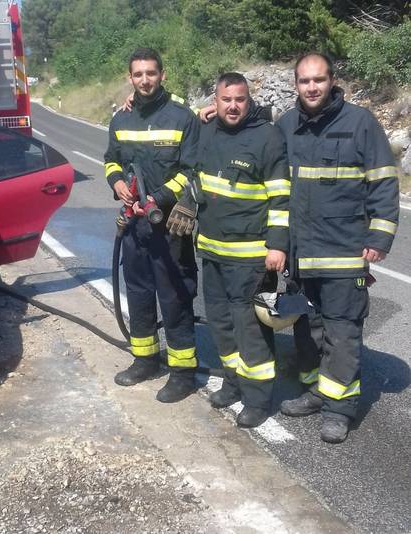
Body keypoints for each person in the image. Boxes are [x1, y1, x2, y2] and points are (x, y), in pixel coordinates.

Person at [274, 53, 399, 443]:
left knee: (342, 333)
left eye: (319, 80)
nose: (311, 87)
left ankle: (339, 408)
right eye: (304, 81)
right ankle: (315, 392)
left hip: (344, 254)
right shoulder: (285, 125)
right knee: (306, 329)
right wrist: (210, 112)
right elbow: (248, 140)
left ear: (332, 81)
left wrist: (378, 238)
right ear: (295, 84)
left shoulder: (360, 123)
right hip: (299, 256)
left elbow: (383, 182)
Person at [168, 72, 290, 427]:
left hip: (250, 257)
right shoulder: (206, 131)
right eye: (226, 99)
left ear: (248, 100)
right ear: (215, 101)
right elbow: (190, 168)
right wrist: (188, 199)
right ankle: (234, 384)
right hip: (212, 252)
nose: (233, 106)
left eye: (239, 99)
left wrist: (277, 245)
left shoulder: (268, 137)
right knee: (221, 324)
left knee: (249, 328)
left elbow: (281, 196)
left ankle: (257, 399)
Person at [103, 48, 201, 402]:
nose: (145, 80)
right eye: (138, 74)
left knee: (175, 298)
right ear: (130, 78)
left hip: (169, 228)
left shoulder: (181, 118)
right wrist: (116, 183)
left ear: (163, 75)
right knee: (139, 294)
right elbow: (111, 160)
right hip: (133, 228)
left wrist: (157, 199)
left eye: (151, 73)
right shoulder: (121, 119)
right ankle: (144, 359)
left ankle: (183, 373)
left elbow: (191, 171)